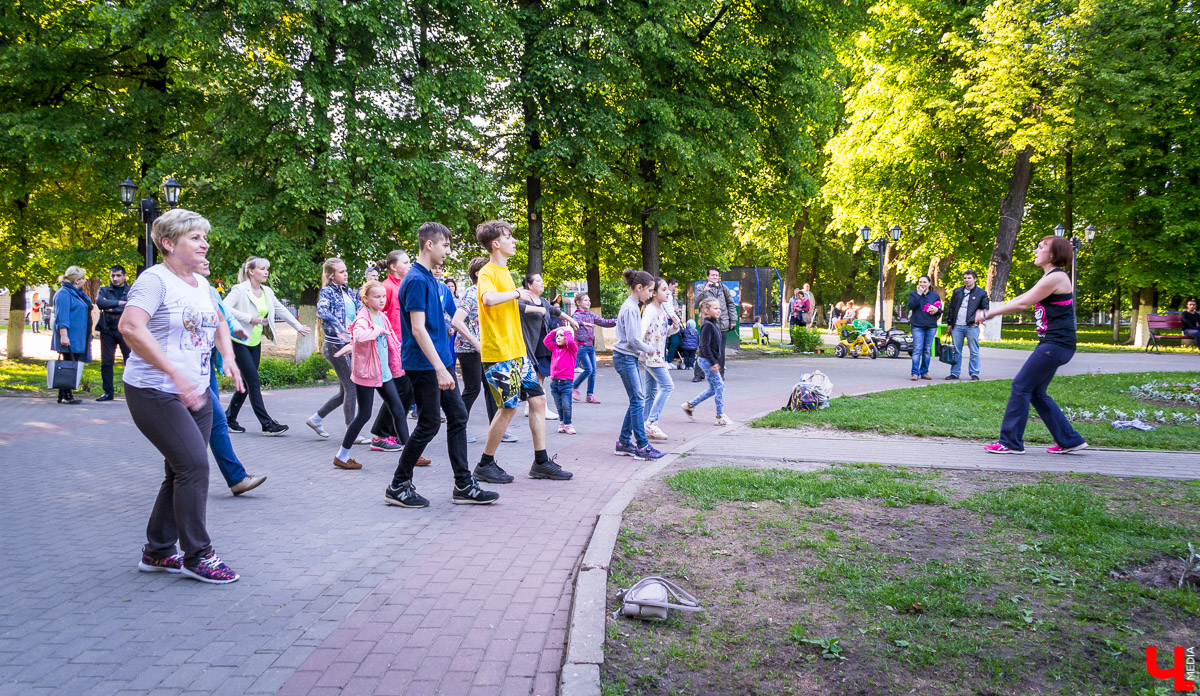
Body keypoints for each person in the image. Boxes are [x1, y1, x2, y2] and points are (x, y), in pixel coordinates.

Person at [119, 208, 244, 584]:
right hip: (155, 391)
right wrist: (173, 373)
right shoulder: (154, 281)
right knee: (194, 466)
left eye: (205, 237)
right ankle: (198, 556)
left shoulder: (201, 284)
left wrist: (229, 358)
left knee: (180, 469)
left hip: (196, 392)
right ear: (168, 243)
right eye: (195, 237)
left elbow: (218, 321)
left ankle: (158, 552)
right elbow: (130, 326)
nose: (204, 244)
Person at [385, 222, 499, 507]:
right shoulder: (416, 280)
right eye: (445, 245)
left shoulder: (432, 281)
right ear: (429, 245)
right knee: (429, 423)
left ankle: (463, 484)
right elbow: (418, 329)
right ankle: (398, 485)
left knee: (458, 416)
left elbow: (454, 316)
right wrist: (438, 368)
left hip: (441, 361)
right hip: (424, 364)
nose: (448, 251)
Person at [472, 220, 573, 483]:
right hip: (499, 354)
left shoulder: (505, 272)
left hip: (518, 353)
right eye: (509, 237)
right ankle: (485, 465)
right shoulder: (488, 272)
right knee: (508, 408)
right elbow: (488, 299)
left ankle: (541, 463)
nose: (514, 241)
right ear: (496, 244)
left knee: (538, 401)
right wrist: (517, 293)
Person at [980, 235, 1088, 455]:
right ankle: (1070, 440)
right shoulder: (1050, 277)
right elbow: (1023, 297)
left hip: (1055, 345)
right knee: (1036, 392)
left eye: (1041, 247)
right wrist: (994, 310)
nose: (1036, 251)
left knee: (1020, 386)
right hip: (1055, 345)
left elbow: (1023, 303)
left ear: (1054, 254)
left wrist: (989, 313)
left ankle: (1010, 442)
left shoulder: (1056, 277)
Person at [223, 256, 312, 435]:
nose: (266, 272)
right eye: (262, 269)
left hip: (255, 341)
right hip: (238, 341)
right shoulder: (240, 290)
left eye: (267, 269)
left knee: (247, 383)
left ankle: (229, 419)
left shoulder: (267, 291)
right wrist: (249, 318)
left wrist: (298, 326)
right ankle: (267, 424)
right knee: (254, 382)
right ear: (251, 271)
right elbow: (223, 307)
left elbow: (281, 309)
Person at [201, 261, 268, 496]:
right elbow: (132, 326)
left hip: (203, 365)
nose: (206, 257)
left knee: (215, 421)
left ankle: (235, 478)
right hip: (175, 372)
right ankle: (183, 477)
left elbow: (222, 317)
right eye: (197, 243)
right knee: (205, 423)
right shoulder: (160, 283)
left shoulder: (206, 288)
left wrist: (229, 351)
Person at [332, 281, 410, 470]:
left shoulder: (382, 316)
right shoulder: (362, 318)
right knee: (364, 414)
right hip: (367, 374)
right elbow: (359, 336)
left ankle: (411, 455)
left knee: (398, 410)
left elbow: (392, 341)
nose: (382, 300)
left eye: (383, 296)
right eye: (377, 297)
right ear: (365, 299)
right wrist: (377, 330)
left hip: (384, 373)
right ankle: (341, 455)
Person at [453, 257, 518, 444]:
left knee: (492, 388)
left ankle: (497, 429)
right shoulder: (472, 293)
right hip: (469, 350)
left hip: (487, 349)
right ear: (478, 274)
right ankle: (458, 429)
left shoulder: (488, 293)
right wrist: (476, 343)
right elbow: (457, 321)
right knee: (472, 389)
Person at [307, 258, 366, 442]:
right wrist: (339, 328)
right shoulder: (327, 292)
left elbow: (359, 311)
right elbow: (322, 312)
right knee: (351, 386)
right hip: (334, 345)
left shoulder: (348, 291)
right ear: (331, 275)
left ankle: (316, 419)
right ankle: (351, 432)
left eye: (346, 270)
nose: (345, 274)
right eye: (341, 272)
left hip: (348, 345)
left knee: (344, 392)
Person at [613, 268, 666, 460]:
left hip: (628, 357)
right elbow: (633, 339)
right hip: (625, 357)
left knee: (636, 399)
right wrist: (649, 348)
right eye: (650, 290)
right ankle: (642, 446)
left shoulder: (633, 306)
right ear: (639, 288)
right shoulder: (631, 308)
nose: (651, 294)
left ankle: (623, 443)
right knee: (638, 400)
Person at [369, 250, 417, 451]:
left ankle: (395, 433)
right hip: (391, 348)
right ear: (393, 267)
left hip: (406, 346)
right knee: (399, 390)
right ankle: (380, 435)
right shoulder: (387, 288)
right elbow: (375, 316)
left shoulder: (404, 285)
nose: (409, 265)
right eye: (405, 262)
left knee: (408, 390)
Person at [518, 273, 579, 420]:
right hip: (531, 344)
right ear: (529, 285)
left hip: (543, 343)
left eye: (542, 280)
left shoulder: (543, 302)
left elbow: (555, 311)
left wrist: (571, 320)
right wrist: (536, 310)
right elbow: (517, 307)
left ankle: (531, 406)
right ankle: (539, 406)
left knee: (541, 375)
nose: (542, 283)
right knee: (535, 375)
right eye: (538, 281)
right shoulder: (523, 299)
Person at [681, 298, 734, 426]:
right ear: (706, 310)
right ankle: (720, 416)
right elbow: (704, 346)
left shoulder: (712, 324)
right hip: (706, 360)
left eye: (719, 308)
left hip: (707, 360)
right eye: (715, 308)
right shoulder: (707, 325)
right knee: (720, 386)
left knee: (713, 389)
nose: (719, 310)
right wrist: (713, 362)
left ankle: (690, 405)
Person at [641, 277, 679, 440]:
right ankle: (651, 422)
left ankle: (644, 426)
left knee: (651, 392)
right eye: (664, 290)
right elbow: (641, 332)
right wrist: (644, 350)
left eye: (667, 290)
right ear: (654, 293)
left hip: (657, 356)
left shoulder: (662, 310)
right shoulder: (650, 310)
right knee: (668, 386)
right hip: (651, 357)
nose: (668, 293)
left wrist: (673, 329)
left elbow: (661, 333)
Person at [51, 266, 93, 404]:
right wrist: (64, 335)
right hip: (70, 336)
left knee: (69, 363)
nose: (85, 280)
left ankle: (63, 394)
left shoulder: (77, 293)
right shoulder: (64, 293)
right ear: (77, 281)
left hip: (78, 336)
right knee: (68, 364)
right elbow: (61, 317)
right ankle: (66, 395)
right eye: (83, 278)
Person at [692, 267, 737, 382]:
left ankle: (719, 375)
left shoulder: (723, 288)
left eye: (716, 275)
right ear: (708, 276)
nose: (715, 277)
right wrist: (705, 291)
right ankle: (699, 374)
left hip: (722, 323)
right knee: (703, 348)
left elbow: (731, 304)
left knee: (720, 350)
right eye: (712, 275)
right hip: (708, 323)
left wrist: (733, 320)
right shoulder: (701, 287)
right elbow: (696, 302)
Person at [571, 292, 616, 401]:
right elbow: (574, 321)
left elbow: (604, 322)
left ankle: (590, 395)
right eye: (586, 300)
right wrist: (584, 324)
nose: (589, 302)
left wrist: (617, 321)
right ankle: (573, 388)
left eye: (589, 300)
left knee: (593, 371)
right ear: (578, 303)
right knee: (588, 369)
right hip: (581, 347)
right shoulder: (577, 315)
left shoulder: (591, 315)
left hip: (590, 346)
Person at [95, 265, 132, 401]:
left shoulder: (131, 290)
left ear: (124, 276)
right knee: (106, 362)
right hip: (107, 329)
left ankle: (132, 393)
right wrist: (120, 303)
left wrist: (111, 307)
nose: (115, 278)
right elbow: (100, 303)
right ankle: (108, 392)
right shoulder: (103, 290)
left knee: (130, 361)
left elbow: (132, 306)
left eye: (118, 275)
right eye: (113, 276)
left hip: (125, 330)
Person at [945, 269, 990, 381]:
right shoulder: (957, 291)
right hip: (957, 326)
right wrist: (950, 323)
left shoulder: (981, 293)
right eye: (965, 278)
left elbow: (985, 309)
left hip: (972, 326)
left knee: (974, 351)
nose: (967, 280)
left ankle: (974, 373)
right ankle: (954, 373)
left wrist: (980, 320)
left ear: (975, 279)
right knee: (956, 351)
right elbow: (951, 308)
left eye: (969, 278)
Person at [544, 326, 579, 434]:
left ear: (568, 337)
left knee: (566, 405)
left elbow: (571, 342)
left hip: (566, 383)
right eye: (557, 336)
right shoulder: (554, 347)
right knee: (559, 405)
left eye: (561, 335)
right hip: (554, 382)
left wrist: (566, 330)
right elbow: (546, 340)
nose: (558, 338)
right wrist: (555, 331)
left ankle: (568, 424)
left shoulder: (571, 349)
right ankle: (562, 422)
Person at [906, 275, 941, 380]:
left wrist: (936, 310)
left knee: (927, 350)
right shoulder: (914, 294)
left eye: (924, 282)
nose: (922, 284)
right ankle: (915, 373)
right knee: (917, 349)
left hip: (930, 326)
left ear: (929, 283)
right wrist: (919, 294)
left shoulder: (934, 295)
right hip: (918, 326)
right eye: (920, 282)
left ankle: (924, 372)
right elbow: (911, 306)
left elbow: (939, 310)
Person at [664, 279, 683, 366]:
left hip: (672, 319)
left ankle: (669, 361)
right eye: (674, 286)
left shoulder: (671, 296)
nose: (675, 289)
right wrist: (678, 320)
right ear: (669, 284)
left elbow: (670, 309)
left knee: (675, 341)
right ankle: (664, 361)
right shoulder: (666, 294)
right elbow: (668, 309)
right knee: (665, 341)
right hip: (668, 319)